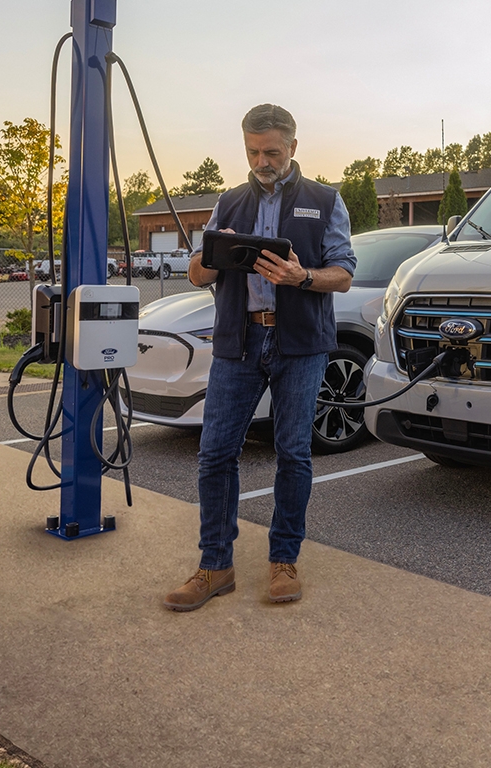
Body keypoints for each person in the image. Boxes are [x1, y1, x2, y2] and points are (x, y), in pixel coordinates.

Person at [164, 104, 356, 611]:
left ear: (293, 146)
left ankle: (283, 560)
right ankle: (215, 565)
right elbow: (196, 275)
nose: (261, 161)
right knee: (215, 454)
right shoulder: (228, 203)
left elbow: (344, 274)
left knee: (292, 453)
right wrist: (214, 255)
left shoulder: (324, 200)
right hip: (239, 341)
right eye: (252, 151)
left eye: (271, 151)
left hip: (300, 344)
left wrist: (303, 277)